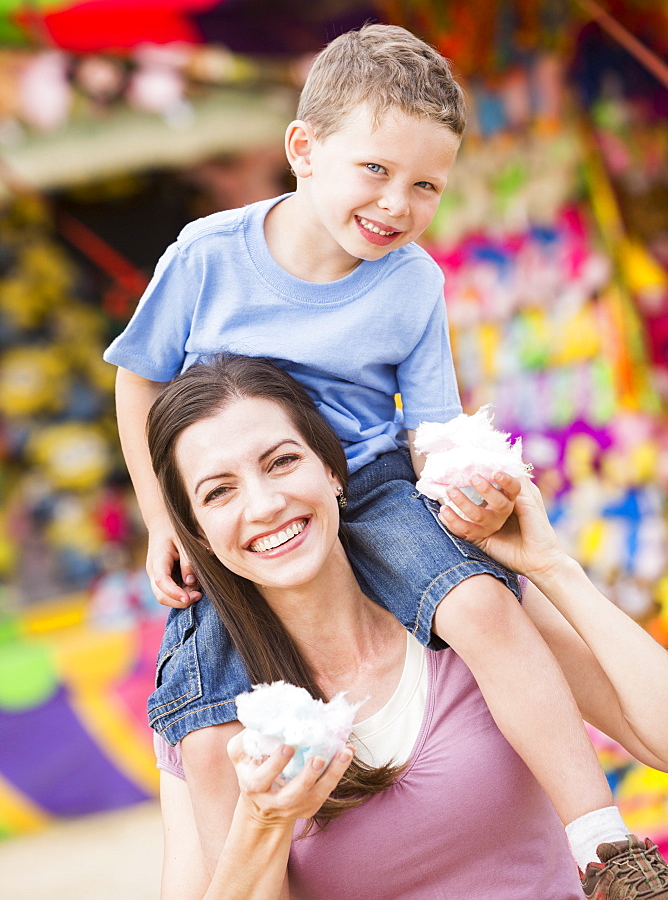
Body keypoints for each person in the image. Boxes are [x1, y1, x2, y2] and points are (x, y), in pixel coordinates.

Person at [106, 25, 626, 863]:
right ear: (304, 149)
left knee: (483, 605)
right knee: (202, 711)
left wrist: (466, 488)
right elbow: (138, 380)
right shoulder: (208, 255)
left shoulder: (413, 280)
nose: (397, 204)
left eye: (426, 185)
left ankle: (601, 837)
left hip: (372, 479)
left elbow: (431, 427)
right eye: (376, 171)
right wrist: (164, 516)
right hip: (244, 488)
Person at [146, 355, 668, 900]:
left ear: (332, 471)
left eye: (281, 462)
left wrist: (551, 568)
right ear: (197, 535)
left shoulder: (470, 609)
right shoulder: (207, 719)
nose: (266, 504)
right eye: (219, 492)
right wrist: (264, 822)